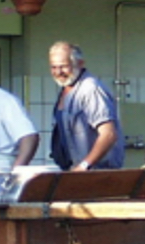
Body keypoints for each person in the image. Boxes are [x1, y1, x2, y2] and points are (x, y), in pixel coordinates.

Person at [48, 41, 125, 171]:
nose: (58, 72)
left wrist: (84, 165)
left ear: (80, 63)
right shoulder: (66, 89)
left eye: (64, 66)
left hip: (95, 173)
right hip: (71, 171)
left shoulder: (90, 89)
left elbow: (109, 134)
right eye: (54, 67)